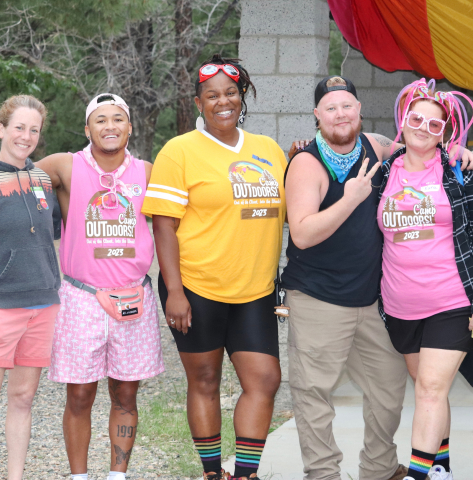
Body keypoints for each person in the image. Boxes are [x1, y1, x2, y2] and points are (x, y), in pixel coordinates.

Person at [282, 74, 473, 480]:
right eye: (330, 108)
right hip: (319, 297)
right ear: (316, 115)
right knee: (314, 393)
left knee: (388, 392)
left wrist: (456, 149)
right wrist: (350, 198)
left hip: (374, 299)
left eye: (347, 106)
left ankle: (380, 468)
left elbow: (421, 144)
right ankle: (322, 473)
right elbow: (301, 233)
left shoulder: (376, 146)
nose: (341, 114)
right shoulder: (305, 162)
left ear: (359, 110)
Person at [141, 54, 286, 480]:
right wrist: (175, 292)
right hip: (198, 289)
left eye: (230, 93)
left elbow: (291, 208)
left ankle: (245, 473)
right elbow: (163, 227)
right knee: (204, 381)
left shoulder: (269, 149)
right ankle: (210, 473)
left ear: (243, 97)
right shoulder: (179, 151)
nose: (222, 102)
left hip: (255, 290)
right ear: (199, 102)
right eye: (211, 96)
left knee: (264, 380)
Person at [37, 93, 164, 480]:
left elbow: (177, 221)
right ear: (87, 127)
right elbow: (13, 176)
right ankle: (78, 477)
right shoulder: (66, 166)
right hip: (82, 297)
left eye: (118, 119)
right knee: (79, 395)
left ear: (130, 126)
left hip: (133, 296)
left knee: (126, 394)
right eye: (101, 120)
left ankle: (117, 475)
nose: (110, 126)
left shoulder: (147, 170)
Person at [376, 79, 473, 480]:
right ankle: (441, 465)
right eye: (417, 119)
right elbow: (348, 134)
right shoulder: (381, 172)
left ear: (446, 133)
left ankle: (417, 473)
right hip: (399, 304)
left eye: (435, 125)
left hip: (451, 299)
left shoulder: (461, 172)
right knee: (428, 388)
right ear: (403, 119)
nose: (424, 129)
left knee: (430, 388)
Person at [0, 95, 61, 480]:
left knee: (23, 398)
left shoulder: (43, 179)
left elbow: (54, 235)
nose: (26, 136)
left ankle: (15, 476)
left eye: (33, 130)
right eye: (18, 127)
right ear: (1, 129)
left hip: (43, 302)